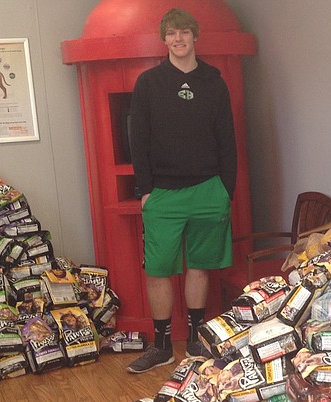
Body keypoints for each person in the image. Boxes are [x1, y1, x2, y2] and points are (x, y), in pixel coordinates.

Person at [127, 8, 237, 374]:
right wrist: (145, 190)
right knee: (158, 270)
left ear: (194, 36)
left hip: (208, 188)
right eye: (172, 33)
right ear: (164, 39)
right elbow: (137, 140)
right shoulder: (148, 83)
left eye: (185, 32)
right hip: (163, 193)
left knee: (200, 267)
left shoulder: (213, 81)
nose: (178, 39)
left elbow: (227, 140)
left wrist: (227, 190)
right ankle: (161, 345)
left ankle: (193, 339)